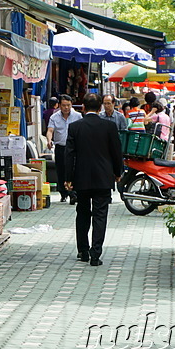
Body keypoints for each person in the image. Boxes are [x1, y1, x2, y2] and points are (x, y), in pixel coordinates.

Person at [64, 93, 123, 266]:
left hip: (81, 178)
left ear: (82, 107)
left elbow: (69, 154)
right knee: (100, 215)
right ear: (100, 108)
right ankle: (95, 254)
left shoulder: (75, 127)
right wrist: (118, 172)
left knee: (82, 213)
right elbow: (116, 151)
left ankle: (83, 250)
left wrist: (68, 178)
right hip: (103, 177)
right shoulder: (109, 126)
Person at [46, 95, 83, 204]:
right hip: (60, 147)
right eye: (64, 105)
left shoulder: (78, 116)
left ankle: (73, 193)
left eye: (68, 105)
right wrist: (49, 140)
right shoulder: (54, 117)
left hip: (74, 148)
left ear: (71, 105)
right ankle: (63, 193)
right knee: (61, 170)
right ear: (59, 105)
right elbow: (50, 130)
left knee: (74, 169)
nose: (66, 108)